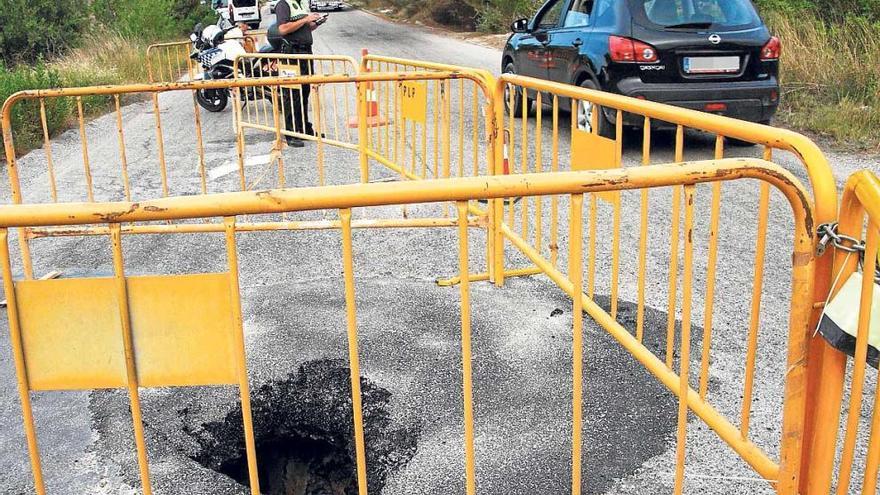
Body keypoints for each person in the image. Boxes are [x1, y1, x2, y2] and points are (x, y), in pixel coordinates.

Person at [268, 0, 324, 147]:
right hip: (291, 54)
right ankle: (291, 133)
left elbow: (303, 28)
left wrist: (316, 23)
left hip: (305, 53)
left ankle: (304, 129)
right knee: (291, 94)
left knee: (304, 92)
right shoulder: (283, 4)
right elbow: (283, 29)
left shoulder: (299, 4)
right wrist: (305, 19)